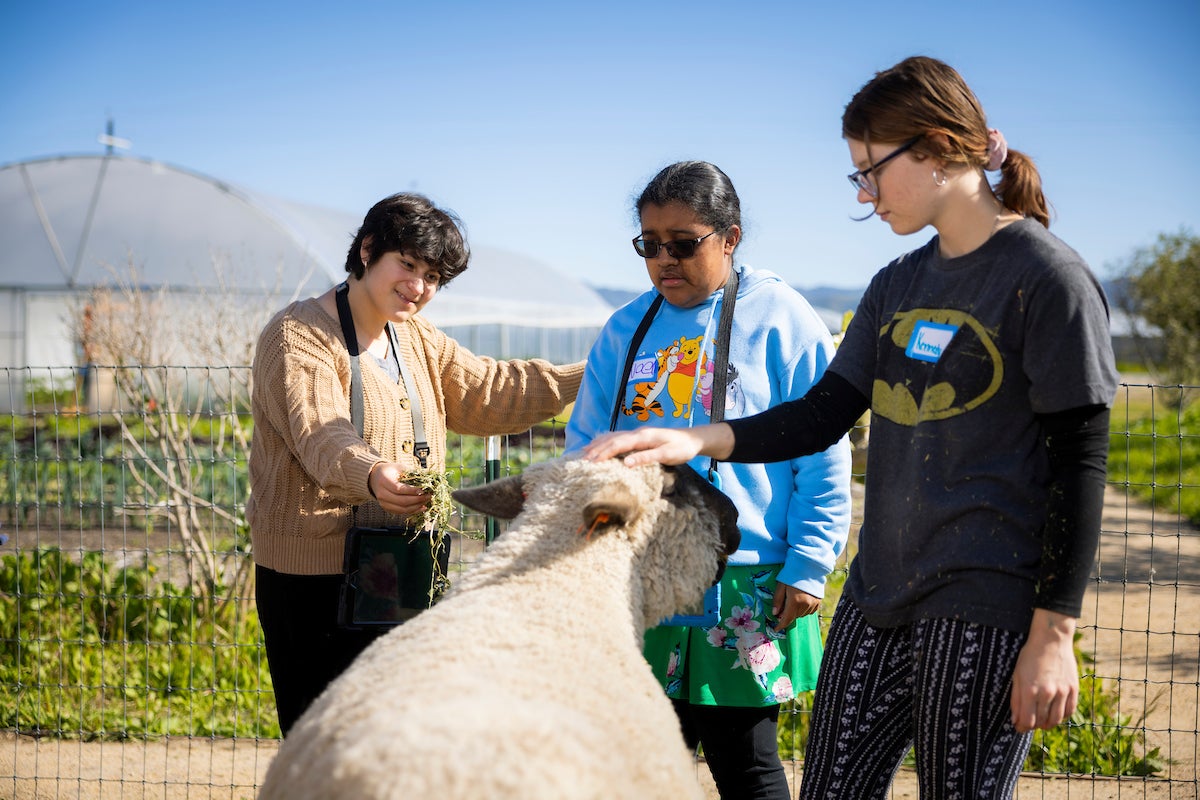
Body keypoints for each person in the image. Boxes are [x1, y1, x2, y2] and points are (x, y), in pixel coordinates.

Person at [584, 56, 1119, 799]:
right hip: (877, 597)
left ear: (934, 149)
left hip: (984, 608)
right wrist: (695, 440)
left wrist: (1053, 635)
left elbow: (1081, 465)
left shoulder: (1046, 279)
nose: (863, 193)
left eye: (872, 168)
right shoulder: (896, 283)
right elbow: (821, 414)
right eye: (856, 173)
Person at [565, 161, 852, 800]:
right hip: (641, 574)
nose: (664, 258)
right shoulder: (626, 328)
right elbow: (585, 448)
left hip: (747, 577)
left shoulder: (783, 318)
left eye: (683, 243)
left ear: (730, 237)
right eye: (650, 244)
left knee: (744, 763)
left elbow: (823, 450)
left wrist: (809, 564)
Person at [248, 192, 584, 735]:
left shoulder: (414, 338)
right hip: (313, 575)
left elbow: (488, 391)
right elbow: (321, 432)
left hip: (401, 564)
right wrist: (372, 473)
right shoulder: (299, 336)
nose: (419, 287)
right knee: (324, 739)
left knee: (393, 735)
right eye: (408, 265)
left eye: (433, 277)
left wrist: (595, 376)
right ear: (367, 249)